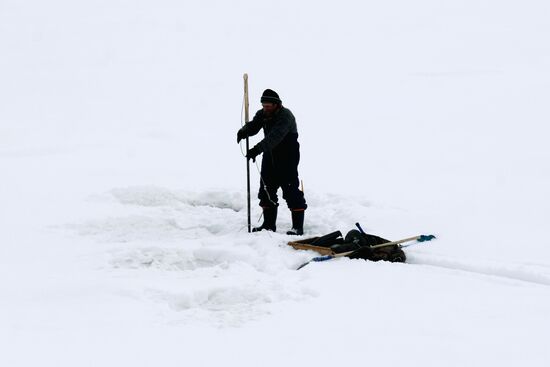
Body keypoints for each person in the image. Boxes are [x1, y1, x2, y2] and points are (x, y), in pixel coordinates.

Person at [237, 89, 307, 235]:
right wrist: (244, 131)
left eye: (268, 106)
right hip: (270, 155)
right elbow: (254, 126)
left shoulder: (286, 116)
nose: (265, 108)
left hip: (287, 156)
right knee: (266, 190)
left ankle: (297, 227)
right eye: (264, 105)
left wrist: (256, 149)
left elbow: (274, 137)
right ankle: (268, 225)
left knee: (290, 190)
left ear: (276, 104)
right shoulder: (263, 114)